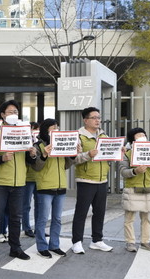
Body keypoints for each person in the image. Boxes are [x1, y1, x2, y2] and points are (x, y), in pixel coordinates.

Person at [0, 100, 37, 263]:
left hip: (19, 182)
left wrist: (33, 153)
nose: (13, 115)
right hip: (0, 182)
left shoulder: (24, 133)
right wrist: (1, 158)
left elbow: (30, 160)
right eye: (9, 112)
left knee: (16, 217)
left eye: (15, 112)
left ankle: (15, 248)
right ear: (2, 115)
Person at [32, 119, 79, 258]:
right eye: (52, 128)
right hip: (45, 186)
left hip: (60, 186)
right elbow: (36, 166)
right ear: (45, 130)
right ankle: (41, 246)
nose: (55, 131)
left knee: (57, 218)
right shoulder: (39, 145)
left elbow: (65, 165)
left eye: (57, 128)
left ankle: (54, 245)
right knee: (42, 218)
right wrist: (45, 155)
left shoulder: (60, 143)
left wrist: (72, 154)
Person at [71, 107, 115, 254]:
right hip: (86, 179)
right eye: (94, 117)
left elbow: (110, 153)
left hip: (102, 179)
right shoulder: (78, 136)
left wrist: (117, 152)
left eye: (99, 117)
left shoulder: (103, 135)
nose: (98, 120)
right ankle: (77, 241)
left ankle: (97, 240)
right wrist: (88, 154)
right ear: (86, 120)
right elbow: (74, 159)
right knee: (81, 212)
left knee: (100, 212)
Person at [119, 128, 150, 253]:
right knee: (129, 218)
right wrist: (135, 171)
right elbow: (122, 172)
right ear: (132, 139)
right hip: (132, 188)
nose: (143, 136)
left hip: (148, 187)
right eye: (139, 135)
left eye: (144, 134)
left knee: (147, 218)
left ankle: (146, 241)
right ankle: (130, 242)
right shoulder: (127, 154)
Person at [22, 122, 39, 238]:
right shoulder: (23, 141)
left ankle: (39, 228)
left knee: (39, 204)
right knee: (26, 205)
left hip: (39, 177)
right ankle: (26, 227)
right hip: (27, 177)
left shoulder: (40, 142)